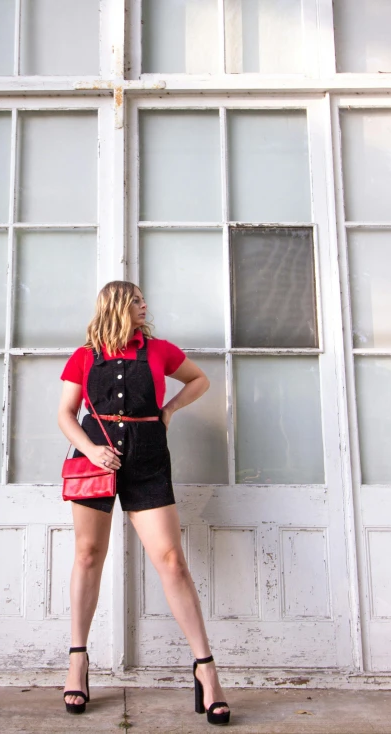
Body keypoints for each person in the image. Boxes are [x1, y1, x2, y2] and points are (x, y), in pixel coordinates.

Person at [57, 281, 230, 726]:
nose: (144, 305)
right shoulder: (83, 356)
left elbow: (200, 379)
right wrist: (91, 449)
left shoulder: (159, 350)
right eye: (136, 300)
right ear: (116, 305)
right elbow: (65, 413)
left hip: (148, 456)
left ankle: (206, 669)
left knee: (171, 561)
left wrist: (168, 411)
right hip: (95, 458)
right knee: (87, 554)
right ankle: (78, 660)